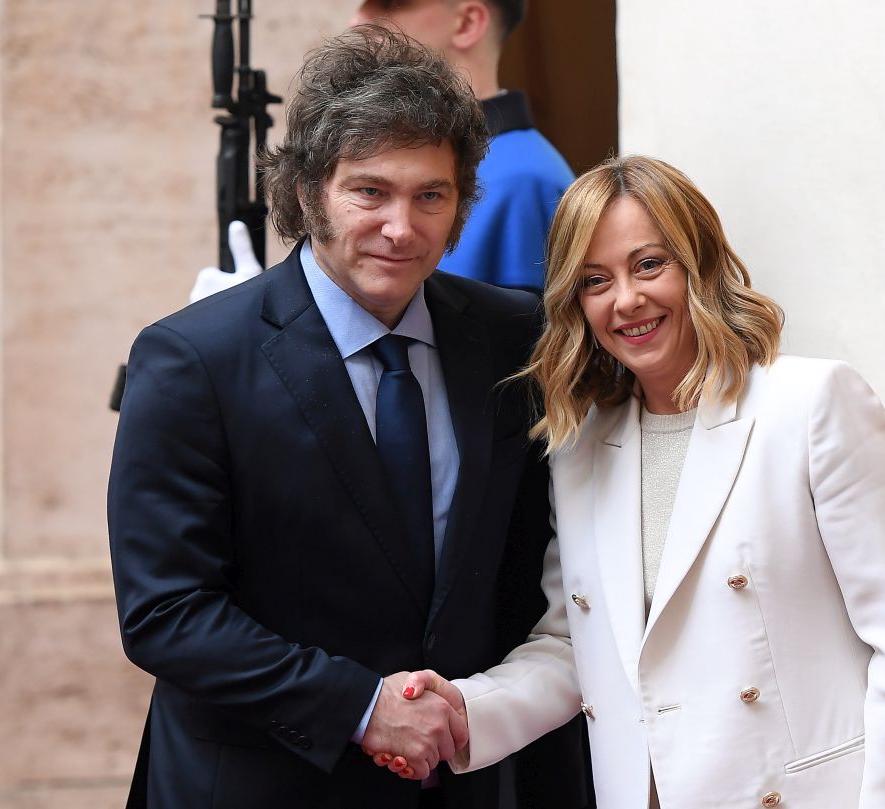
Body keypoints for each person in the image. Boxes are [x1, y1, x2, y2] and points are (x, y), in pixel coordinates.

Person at [108, 25, 588, 808]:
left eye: (430, 195)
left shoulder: (513, 338)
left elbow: (528, 573)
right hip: (258, 787)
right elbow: (167, 611)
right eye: (370, 192)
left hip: (457, 785)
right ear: (307, 192)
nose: (402, 227)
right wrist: (361, 707)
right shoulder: (192, 359)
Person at [374, 155, 885, 808]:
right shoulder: (583, 446)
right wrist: (462, 710)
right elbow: (574, 645)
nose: (627, 300)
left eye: (649, 265)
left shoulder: (813, 403)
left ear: (699, 264)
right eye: (595, 280)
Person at [192, 1, 573, 303]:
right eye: (372, 190)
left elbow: (519, 352)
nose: (359, 20)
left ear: (467, 22)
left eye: (390, 4)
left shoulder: (525, 177)